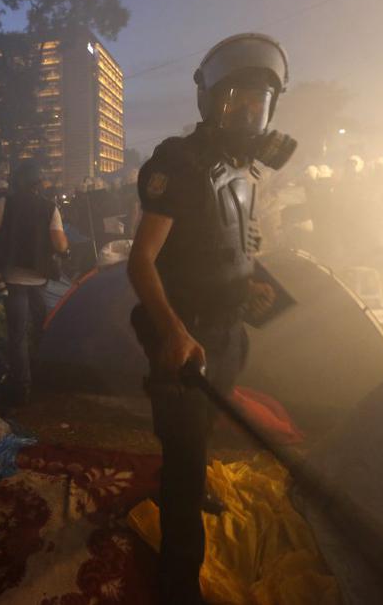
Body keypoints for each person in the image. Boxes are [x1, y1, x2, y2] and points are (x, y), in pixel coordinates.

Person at [127, 32, 295, 604]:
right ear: (210, 100)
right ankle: (178, 583)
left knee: (203, 430)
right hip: (184, 334)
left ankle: (194, 484)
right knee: (181, 452)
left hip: (227, 330)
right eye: (236, 98)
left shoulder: (246, 169)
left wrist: (254, 277)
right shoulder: (180, 162)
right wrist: (174, 333)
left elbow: (229, 242)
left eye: (259, 102)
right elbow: (141, 260)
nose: (248, 112)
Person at [0, 160, 69, 407]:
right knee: (41, 325)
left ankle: (21, 388)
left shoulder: (5, 203)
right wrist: (64, 250)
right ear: (38, 183)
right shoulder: (50, 207)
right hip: (39, 278)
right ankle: (43, 373)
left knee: (17, 335)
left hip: (12, 278)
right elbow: (60, 244)